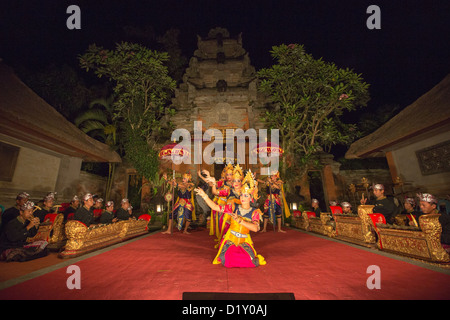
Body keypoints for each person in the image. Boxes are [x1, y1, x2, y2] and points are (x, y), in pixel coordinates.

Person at [195, 170, 266, 268]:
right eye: (241, 195)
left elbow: (255, 228)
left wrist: (240, 221)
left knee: (247, 261)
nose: (242, 197)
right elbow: (216, 207)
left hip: (244, 241)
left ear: (251, 198)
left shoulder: (254, 212)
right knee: (228, 260)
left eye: (246, 195)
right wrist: (204, 196)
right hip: (231, 239)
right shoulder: (234, 207)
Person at [199, 163, 233, 238]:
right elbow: (211, 184)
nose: (228, 176)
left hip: (233, 207)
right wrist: (208, 176)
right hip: (222, 205)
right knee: (221, 222)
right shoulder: (223, 183)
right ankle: (222, 239)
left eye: (230, 174)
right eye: (227, 174)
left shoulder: (237, 184)